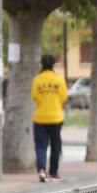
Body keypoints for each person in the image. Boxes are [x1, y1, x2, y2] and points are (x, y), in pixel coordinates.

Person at [31, 54, 67, 182]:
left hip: (40, 117)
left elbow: (34, 96)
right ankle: (53, 172)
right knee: (55, 145)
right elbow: (64, 97)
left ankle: (41, 169)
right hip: (56, 117)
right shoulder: (59, 80)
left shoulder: (37, 80)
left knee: (41, 145)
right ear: (53, 64)